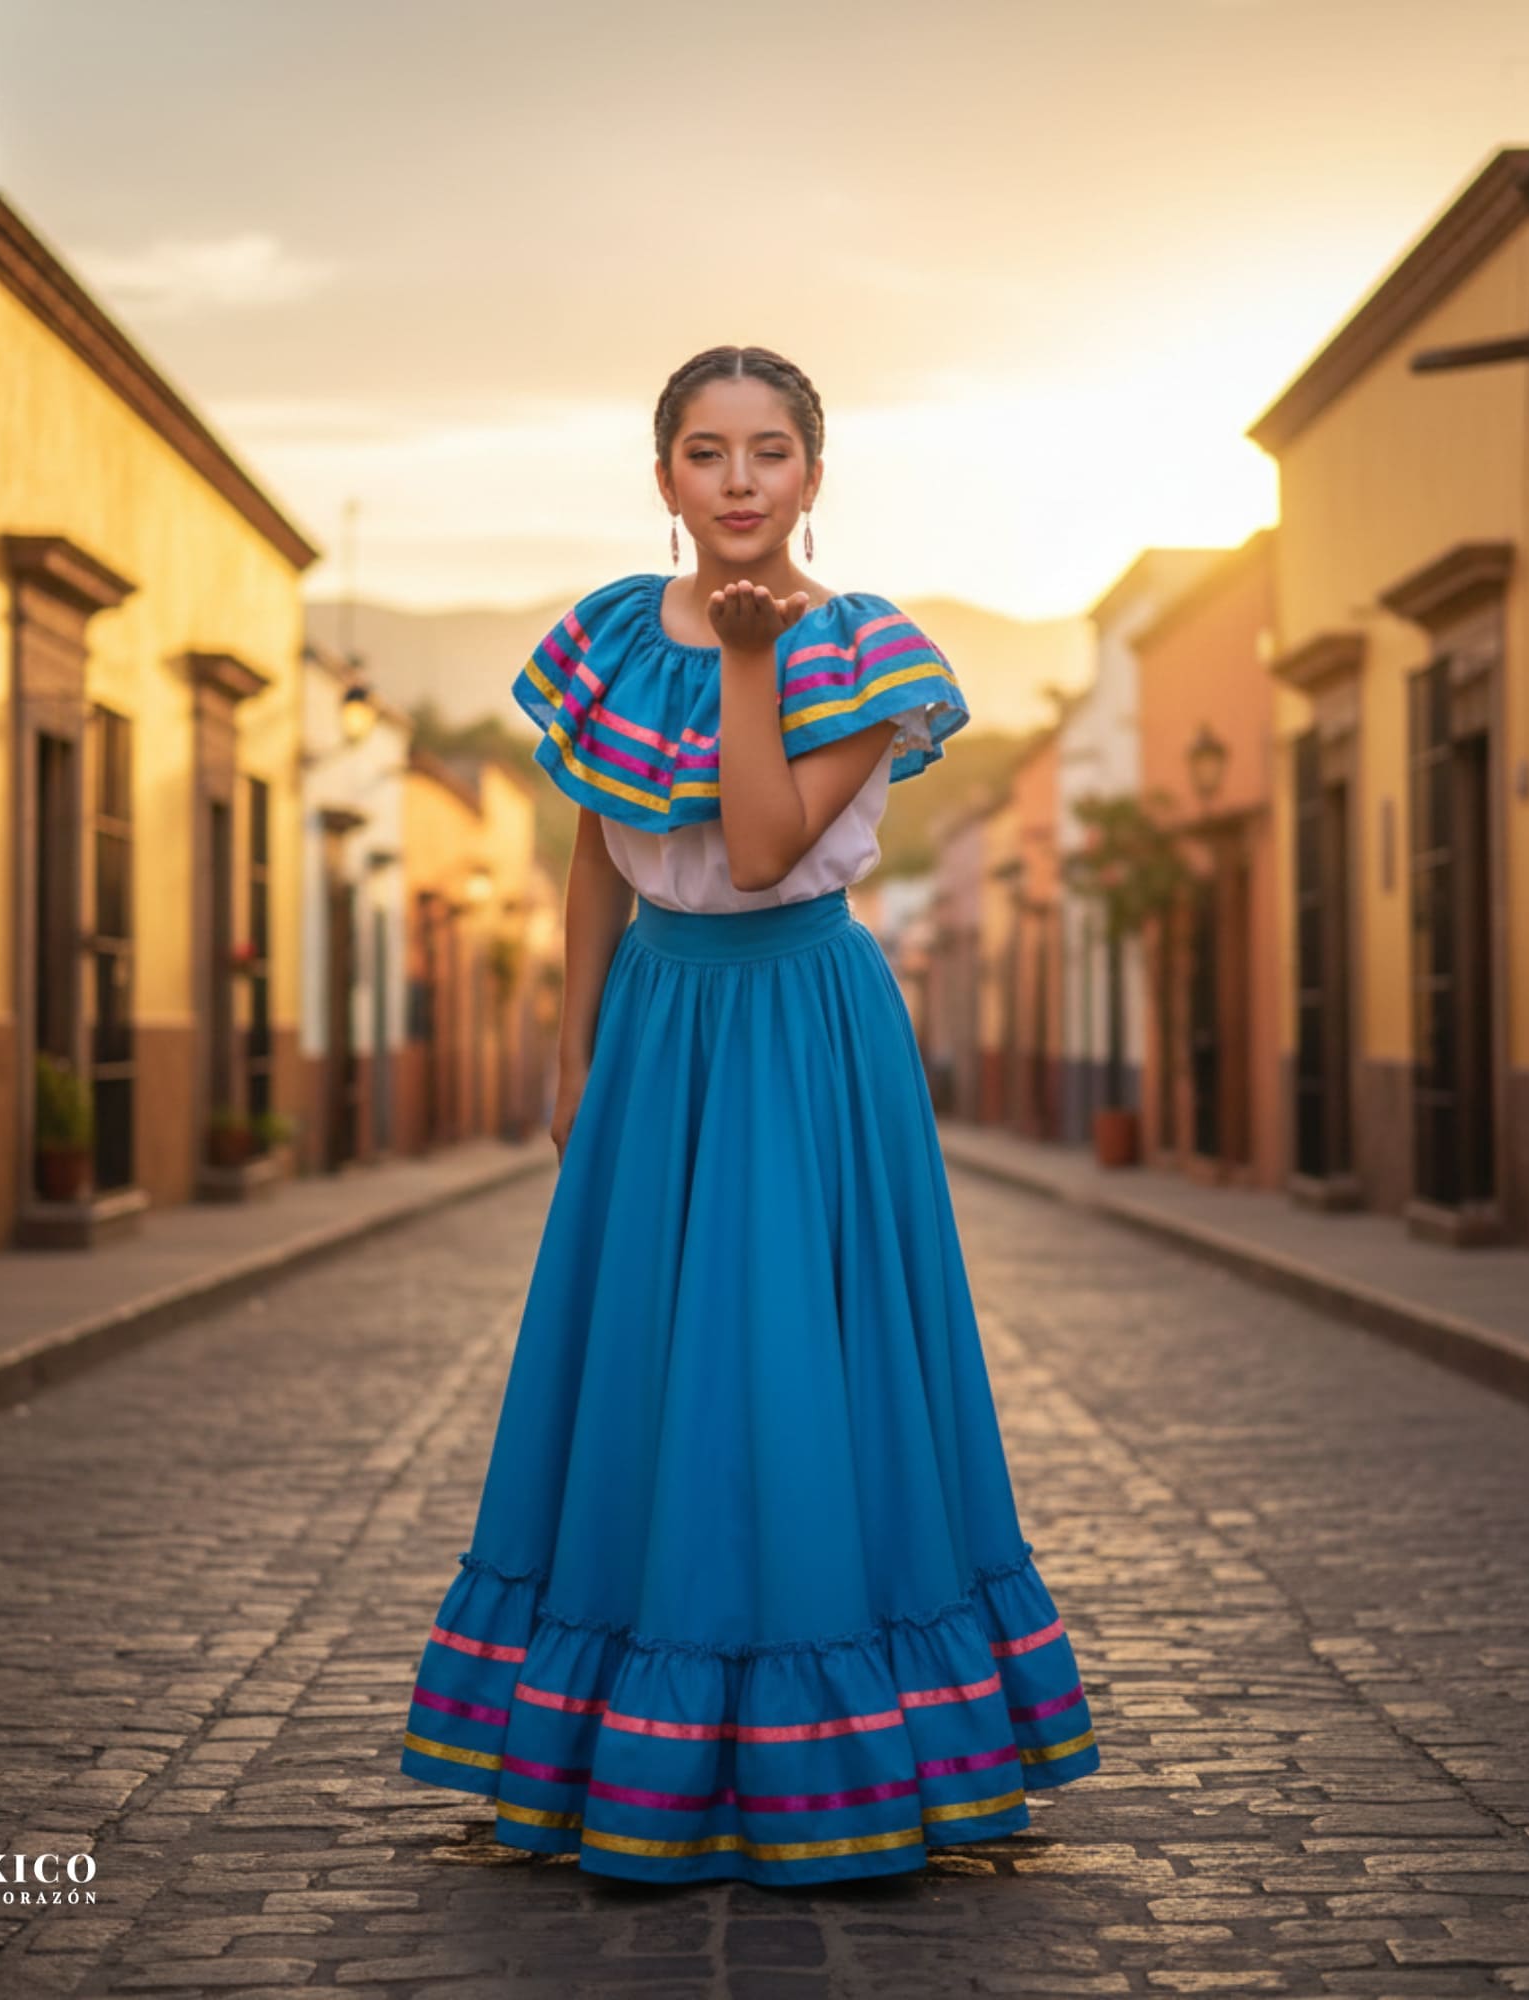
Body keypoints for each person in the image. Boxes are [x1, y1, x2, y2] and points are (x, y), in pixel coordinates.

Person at [399, 344, 1100, 1887]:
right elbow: (600, 854)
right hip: (658, 1023)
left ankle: (831, 1757)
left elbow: (770, 848)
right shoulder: (599, 639)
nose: (737, 482)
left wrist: (742, 656)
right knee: (642, 1357)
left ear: (813, 477)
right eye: (705, 454)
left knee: (794, 1355)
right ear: (662, 481)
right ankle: (612, 1757)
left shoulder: (869, 649)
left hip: (803, 1027)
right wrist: (575, 1051)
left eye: (768, 452)